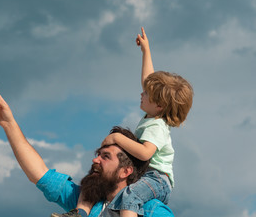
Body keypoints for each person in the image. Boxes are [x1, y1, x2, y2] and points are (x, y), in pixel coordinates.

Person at [0, 84, 174, 217]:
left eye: (106, 157)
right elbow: (39, 174)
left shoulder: (151, 210)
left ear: (126, 171)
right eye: (98, 155)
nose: (95, 160)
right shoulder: (83, 203)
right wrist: (8, 124)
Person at [64, 27, 194, 217]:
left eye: (146, 94)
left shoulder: (157, 126)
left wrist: (116, 137)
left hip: (157, 179)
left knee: (130, 196)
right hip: (145, 174)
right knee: (99, 183)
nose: (141, 93)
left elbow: (144, 153)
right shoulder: (153, 115)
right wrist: (146, 51)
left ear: (159, 105)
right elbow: (147, 79)